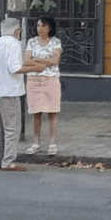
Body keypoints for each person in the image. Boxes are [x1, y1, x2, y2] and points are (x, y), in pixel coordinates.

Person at [0, 18, 45, 171]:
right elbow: (14, 68)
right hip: (9, 92)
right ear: (16, 31)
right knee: (12, 129)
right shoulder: (14, 44)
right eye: (19, 31)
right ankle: (8, 162)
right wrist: (34, 69)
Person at [24, 16, 63, 157]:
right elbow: (26, 61)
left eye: (43, 26)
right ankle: (36, 142)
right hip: (34, 79)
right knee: (36, 112)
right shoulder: (32, 42)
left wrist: (36, 59)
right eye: (38, 25)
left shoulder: (55, 42)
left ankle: (52, 143)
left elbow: (55, 60)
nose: (40, 29)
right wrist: (45, 61)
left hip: (51, 79)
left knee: (52, 111)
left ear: (50, 28)